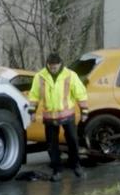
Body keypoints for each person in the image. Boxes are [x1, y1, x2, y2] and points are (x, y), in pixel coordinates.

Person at [28, 53, 90, 182]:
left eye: (55, 66)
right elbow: (34, 95)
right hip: (49, 117)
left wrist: (84, 111)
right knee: (52, 145)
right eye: (51, 66)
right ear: (48, 64)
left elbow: (80, 93)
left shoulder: (70, 75)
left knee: (73, 141)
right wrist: (32, 112)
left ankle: (76, 165)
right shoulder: (40, 76)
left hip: (67, 115)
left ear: (60, 64)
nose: (53, 69)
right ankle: (57, 170)